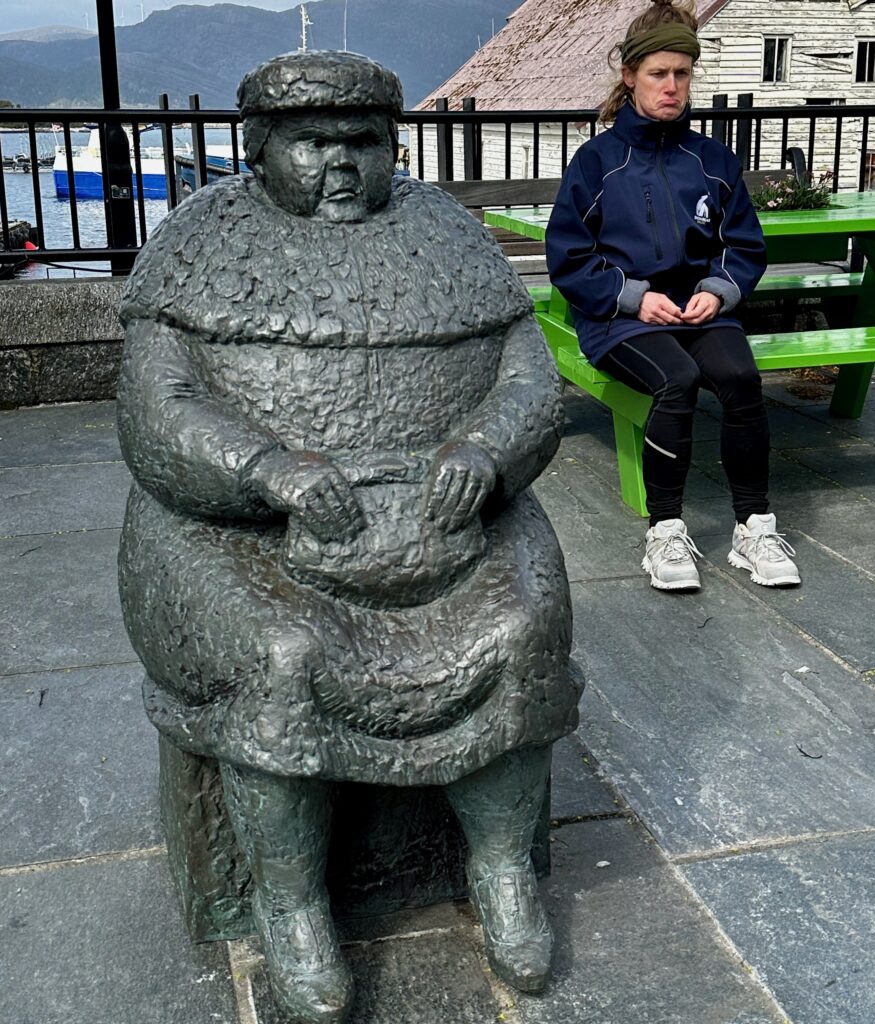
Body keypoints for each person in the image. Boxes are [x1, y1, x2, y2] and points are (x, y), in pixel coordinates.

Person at [117, 51, 582, 1024]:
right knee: (283, 652)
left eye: (362, 142)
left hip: (447, 513)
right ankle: (290, 903)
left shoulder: (449, 236)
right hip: (235, 523)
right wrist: (266, 470)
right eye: (314, 142)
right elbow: (156, 410)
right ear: (261, 148)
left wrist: (486, 455)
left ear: (392, 145)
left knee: (522, 620)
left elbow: (529, 383)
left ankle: (500, 870)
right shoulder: (196, 243)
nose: (340, 163)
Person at [546, 0, 800, 591]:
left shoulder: (711, 160)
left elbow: (744, 246)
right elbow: (569, 259)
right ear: (630, 75)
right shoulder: (596, 163)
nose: (672, 87)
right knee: (676, 380)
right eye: (659, 73)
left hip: (699, 311)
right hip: (621, 320)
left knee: (740, 379)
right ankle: (665, 530)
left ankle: (753, 525)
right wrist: (634, 299)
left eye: (683, 73)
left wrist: (719, 291)